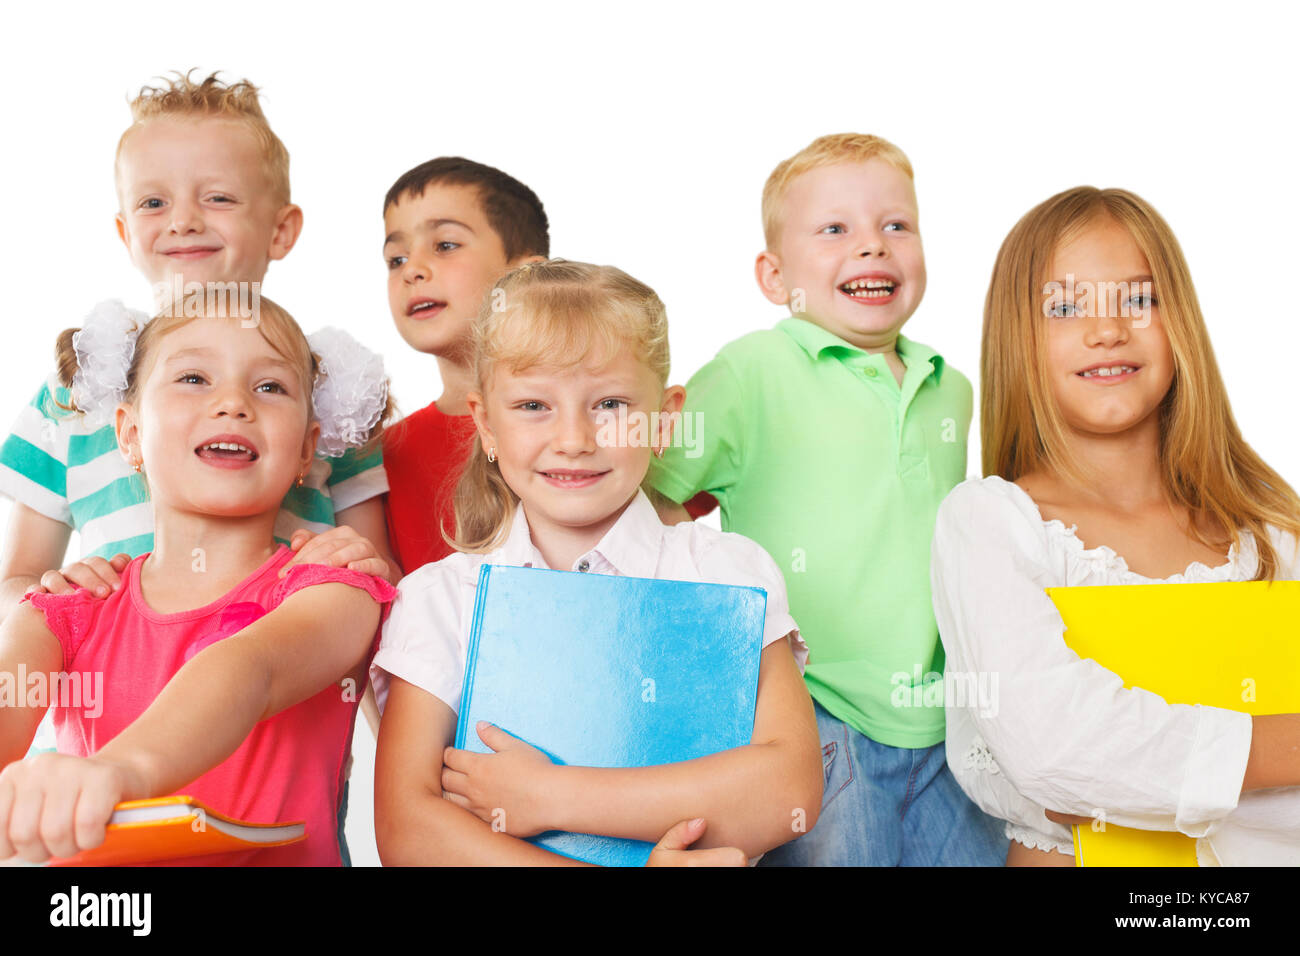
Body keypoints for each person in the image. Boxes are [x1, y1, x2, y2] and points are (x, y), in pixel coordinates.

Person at [372, 260, 821, 865]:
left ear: (665, 417)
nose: (574, 438)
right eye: (534, 406)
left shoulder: (727, 573)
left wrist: (553, 795)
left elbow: (788, 791)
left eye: (609, 403)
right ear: (485, 424)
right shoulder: (441, 599)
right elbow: (409, 832)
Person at [647, 133, 1007, 865]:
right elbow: (649, 508)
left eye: (895, 226)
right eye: (835, 229)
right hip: (815, 719)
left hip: (948, 727)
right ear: (776, 276)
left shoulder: (952, 387)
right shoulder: (750, 371)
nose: (872, 247)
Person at [932, 186, 1300, 866]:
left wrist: (1132, 776)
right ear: (1020, 337)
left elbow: (1089, 769)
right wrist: (1283, 748)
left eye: (1138, 299)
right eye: (1066, 307)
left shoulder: (1270, 532)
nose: (1107, 329)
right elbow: (1054, 751)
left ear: (1179, 321)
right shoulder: (992, 524)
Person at [0, 295, 396, 866]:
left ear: (307, 449)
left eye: (269, 387)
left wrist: (122, 771)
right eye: (193, 377)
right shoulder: (67, 608)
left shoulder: (334, 587)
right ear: (130, 434)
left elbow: (247, 670)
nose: (233, 402)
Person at [0, 70, 396, 618]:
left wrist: (356, 563)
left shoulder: (323, 393)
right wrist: (51, 591)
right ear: (124, 233)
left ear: (282, 230)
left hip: (287, 681)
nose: (183, 221)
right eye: (153, 203)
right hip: (124, 688)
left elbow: (382, 583)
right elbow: (14, 581)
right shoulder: (79, 388)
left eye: (217, 197)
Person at [379, 157, 549, 576]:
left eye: (445, 245)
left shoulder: (602, 416)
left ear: (524, 274)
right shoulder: (383, 455)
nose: (413, 270)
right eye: (396, 259)